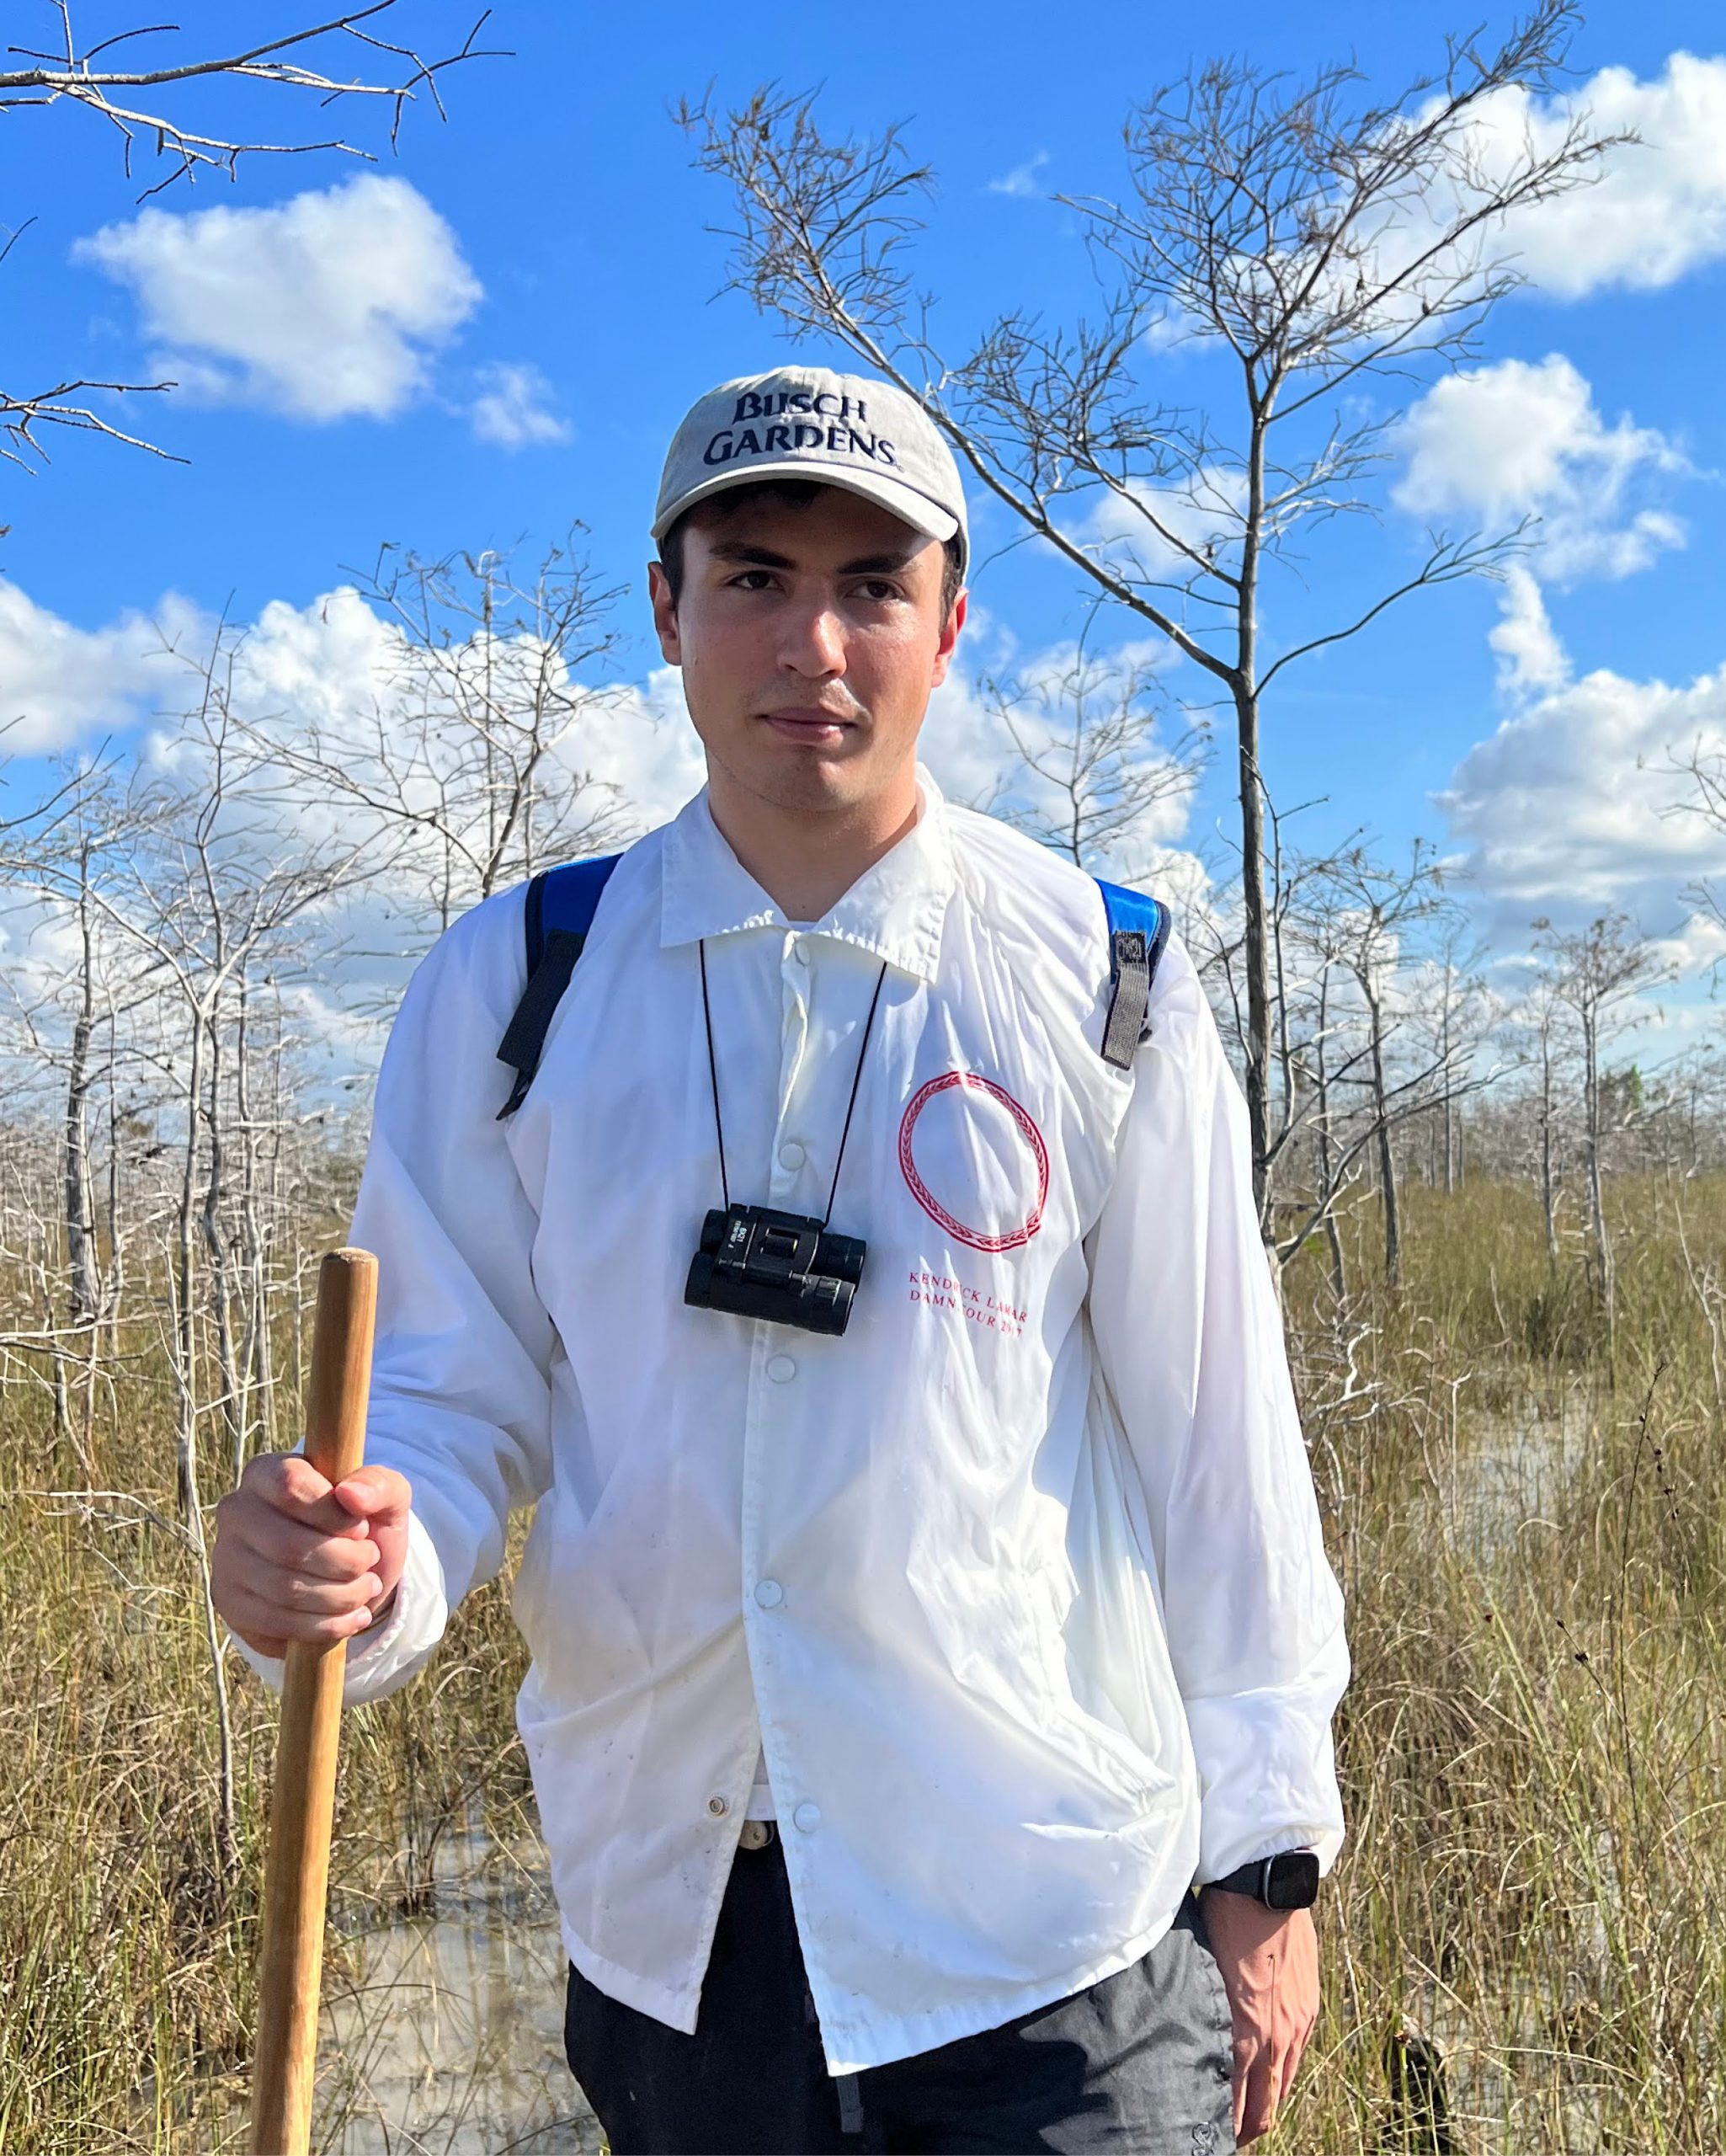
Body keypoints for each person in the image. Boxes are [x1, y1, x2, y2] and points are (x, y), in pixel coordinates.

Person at [213, 364, 1351, 2156]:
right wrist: (361, 1563)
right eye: (751, 576)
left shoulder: (1104, 976)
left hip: (1044, 1923)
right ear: (667, 608)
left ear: (948, 624)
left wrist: (1267, 1857)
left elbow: (1220, 1440)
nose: (811, 642)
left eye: (870, 585)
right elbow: (443, 1396)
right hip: (679, 1932)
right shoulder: (518, 981)